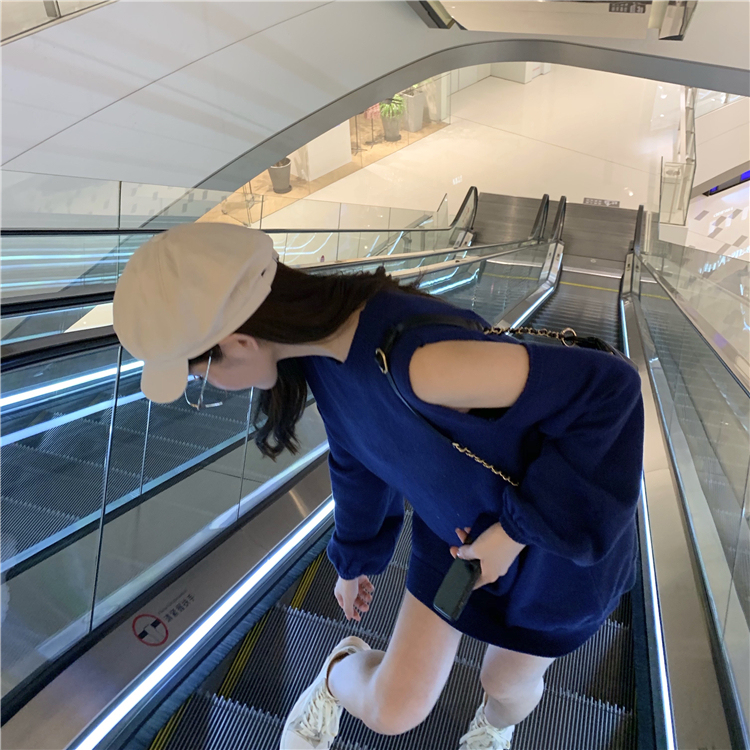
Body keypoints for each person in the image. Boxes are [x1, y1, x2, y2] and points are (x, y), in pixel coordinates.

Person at [113, 222, 645, 750]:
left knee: (505, 683)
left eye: (199, 376)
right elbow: (355, 456)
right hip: (455, 533)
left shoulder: (422, 365)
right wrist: (355, 558)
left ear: (239, 342)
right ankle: (337, 670)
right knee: (395, 709)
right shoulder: (319, 355)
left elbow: (611, 392)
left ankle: (493, 727)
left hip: (551, 543)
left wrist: (512, 534)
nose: (207, 386)